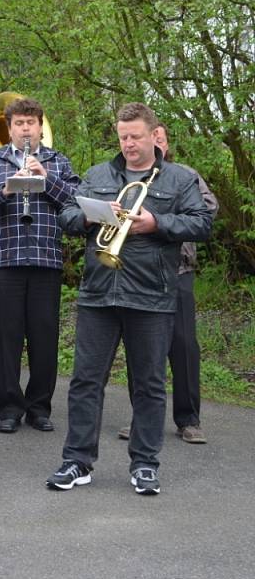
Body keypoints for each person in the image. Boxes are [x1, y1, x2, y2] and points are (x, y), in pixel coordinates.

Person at [46, 102, 213, 496]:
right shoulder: (98, 174)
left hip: (152, 295)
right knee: (85, 381)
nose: (128, 144)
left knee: (149, 385)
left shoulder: (178, 179)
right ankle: (77, 461)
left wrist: (158, 223)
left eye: (135, 136)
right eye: (123, 137)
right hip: (99, 293)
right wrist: (90, 216)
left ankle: (144, 465)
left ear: (154, 135)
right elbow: (67, 216)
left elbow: (203, 223)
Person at [0, 97, 80, 432]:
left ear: (40, 126)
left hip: (45, 261)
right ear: (9, 129)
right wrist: (5, 190)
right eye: (19, 124)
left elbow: (76, 204)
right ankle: (9, 408)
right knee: (7, 339)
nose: (26, 129)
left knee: (44, 338)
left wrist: (46, 177)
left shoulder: (58, 161)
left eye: (31, 123)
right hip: (6, 260)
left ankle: (40, 407)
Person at [118, 122, 218, 444]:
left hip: (179, 271)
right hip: (140, 272)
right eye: (151, 138)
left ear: (164, 141)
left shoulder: (185, 174)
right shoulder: (128, 176)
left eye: (159, 137)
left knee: (184, 346)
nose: (154, 142)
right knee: (140, 348)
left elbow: (208, 209)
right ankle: (141, 418)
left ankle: (188, 419)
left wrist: (164, 214)